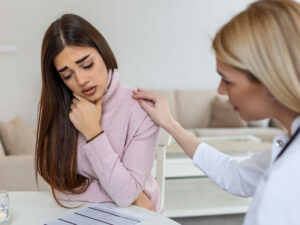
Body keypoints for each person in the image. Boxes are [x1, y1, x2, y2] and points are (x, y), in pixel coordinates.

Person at [132, 0, 300, 224]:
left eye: (228, 81)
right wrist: (169, 123)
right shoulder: (288, 148)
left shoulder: (288, 178)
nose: (220, 90)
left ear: (271, 81)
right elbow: (235, 175)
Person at [35, 14, 162, 212]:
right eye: (67, 75)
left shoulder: (141, 109)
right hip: (76, 213)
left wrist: (93, 132)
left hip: (135, 215)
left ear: (103, 53)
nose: (81, 79)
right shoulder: (57, 107)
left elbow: (125, 195)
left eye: (87, 65)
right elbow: (60, 188)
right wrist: (133, 193)